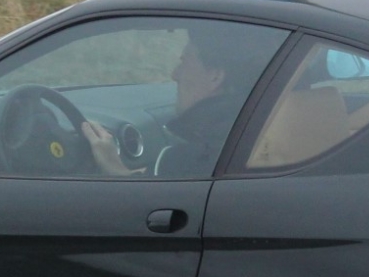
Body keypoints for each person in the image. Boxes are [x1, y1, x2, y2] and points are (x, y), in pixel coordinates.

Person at [80, 25, 269, 176]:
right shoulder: (259, 128)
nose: (175, 75)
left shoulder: (196, 157)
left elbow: (140, 198)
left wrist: (113, 167)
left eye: (184, 63)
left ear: (215, 77)